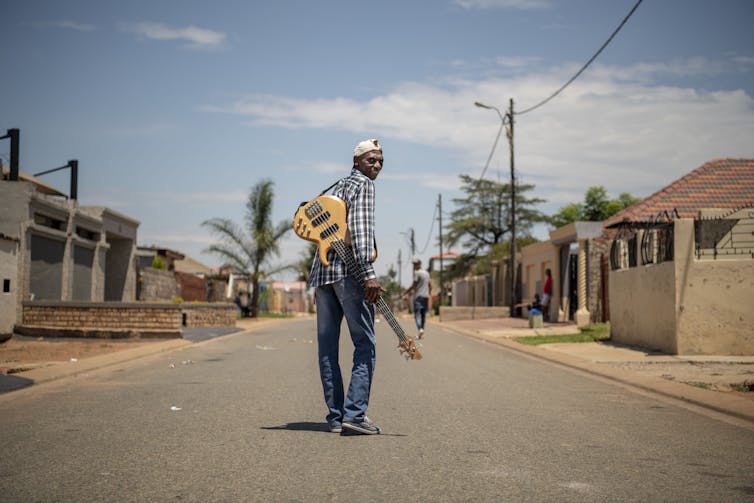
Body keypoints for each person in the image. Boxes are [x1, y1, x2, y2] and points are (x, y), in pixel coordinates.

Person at [308, 139, 385, 436]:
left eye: (379, 161)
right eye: (371, 160)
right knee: (364, 344)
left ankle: (336, 417)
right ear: (357, 162)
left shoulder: (336, 186)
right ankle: (354, 413)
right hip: (349, 274)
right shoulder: (364, 186)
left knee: (327, 348)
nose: (376, 165)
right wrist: (369, 274)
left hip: (323, 273)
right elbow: (360, 231)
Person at [404, 258, 431, 339]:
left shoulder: (417, 273)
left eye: (415, 264)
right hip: (425, 296)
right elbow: (430, 285)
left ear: (419, 264)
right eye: (413, 264)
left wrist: (406, 292)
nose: (414, 266)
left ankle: (420, 329)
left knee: (417, 314)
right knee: (423, 315)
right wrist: (428, 293)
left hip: (418, 296)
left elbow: (414, 285)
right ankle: (422, 329)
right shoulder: (427, 273)